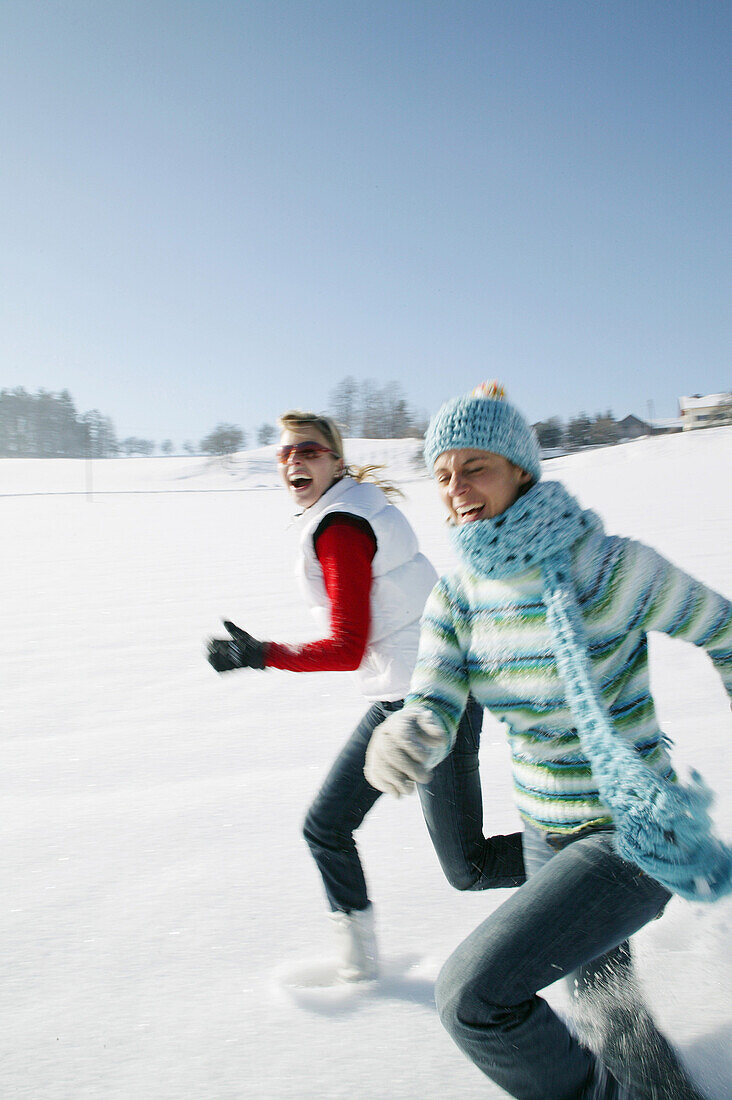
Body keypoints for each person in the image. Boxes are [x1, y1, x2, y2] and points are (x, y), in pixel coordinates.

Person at [365, 382, 731, 1098]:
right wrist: (408, 733)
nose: (457, 489)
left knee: (473, 999)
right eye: (443, 475)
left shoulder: (609, 568)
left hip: (631, 832)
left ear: (520, 469)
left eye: (476, 468)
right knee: (605, 1015)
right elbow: (435, 704)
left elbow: (725, 629)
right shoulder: (460, 595)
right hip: (545, 833)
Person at [206, 409, 525, 983]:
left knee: (469, 867)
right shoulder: (348, 511)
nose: (294, 461)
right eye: (284, 454)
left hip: (433, 701)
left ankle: (600, 860)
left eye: (307, 450)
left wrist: (261, 654)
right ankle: (360, 967)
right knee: (325, 826)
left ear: (334, 459)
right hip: (405, 691)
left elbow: (347, 647)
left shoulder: (341, 529)